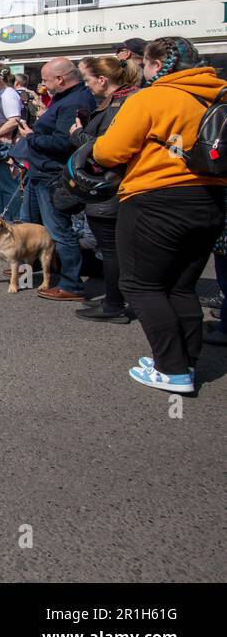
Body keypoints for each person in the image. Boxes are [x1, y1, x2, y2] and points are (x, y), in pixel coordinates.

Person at [91, 37, 227, 393]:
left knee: (141, 284)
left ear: (154, 64)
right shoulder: (219, 95)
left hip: (156, 198)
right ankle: (185, 361)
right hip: (210, 198)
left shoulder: (153, 98)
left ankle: (172, 369)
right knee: (181, 286)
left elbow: (109, 151)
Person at [70, 55, 143, 324]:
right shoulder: (124, 102)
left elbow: (107, 149)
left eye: (87, 80)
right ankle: (120, 301)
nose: (86, 85)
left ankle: (114, 304)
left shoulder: (119, 107)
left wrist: (77, 134)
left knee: (111, 250)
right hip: (116, 187)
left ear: (102, 80)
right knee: (116, 250)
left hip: (109, 189)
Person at [20, 57, 96, 301]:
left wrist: (31, 136)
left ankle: (71, 285)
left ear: (61, 79)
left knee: (59, 231)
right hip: (39, 172)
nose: (43, 85)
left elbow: (65, 142)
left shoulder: (75, 100)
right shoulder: (64, 98)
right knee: (27, 223)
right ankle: (24, 270)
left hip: (52, 175)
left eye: (45, 80)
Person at [0, 66, 24, 217]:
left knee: (8, 186)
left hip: (4, 145)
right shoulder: (1, 93)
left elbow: (14, 121)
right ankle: (3, 216)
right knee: (1, 186)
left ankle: (11, 220)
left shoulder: (8, 94)